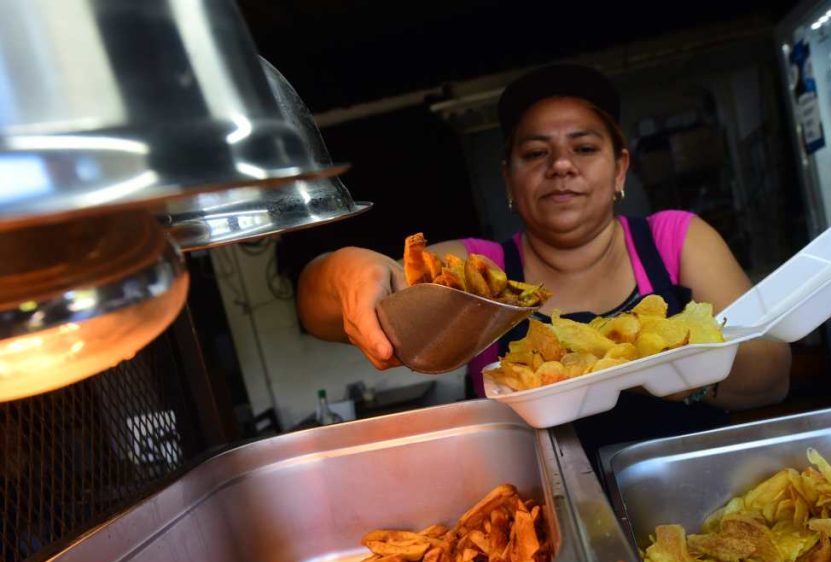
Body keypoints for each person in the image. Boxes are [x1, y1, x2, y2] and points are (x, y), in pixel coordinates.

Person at [297, 63, 790, 466]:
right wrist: (346, 270)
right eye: (536, 152)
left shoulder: (675, 240)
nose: (561, 165)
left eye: (585, 147)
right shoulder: (480, 272)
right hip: (552, 523)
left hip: (697, 502)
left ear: (619, 168)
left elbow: (772, 373)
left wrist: (656, 368)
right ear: (509, 180)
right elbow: (317, 308)